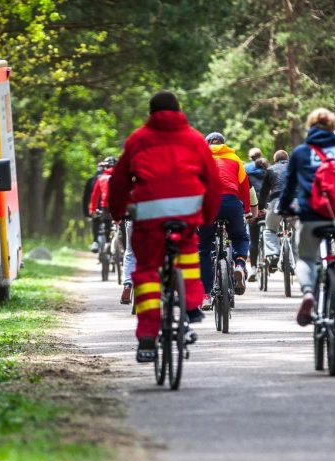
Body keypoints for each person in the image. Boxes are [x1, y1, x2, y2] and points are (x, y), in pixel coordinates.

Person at [108, 91, 222, 362]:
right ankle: (191, 306)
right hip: (186, 214)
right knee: (188, 258)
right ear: (179, 110)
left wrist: (117, 212)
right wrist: (206, 216)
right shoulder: (195, 138)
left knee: (147, 273)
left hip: (148, 216)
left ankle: (147, 336)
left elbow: (119, 182)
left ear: (151, 113)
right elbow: (213, 181)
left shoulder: (138, 139)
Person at [279, 108, 335, 327]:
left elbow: (288, 187)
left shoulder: (301, 152)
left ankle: (309, 293)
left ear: (310, 126)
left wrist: (284, 208)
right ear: (333, 127)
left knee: (307, 258)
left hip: (311, 214)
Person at [199, 132, 252, 303]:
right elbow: (244, 187)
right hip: (231, 202)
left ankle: (206, 293)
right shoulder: (235, 159)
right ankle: (239, 265)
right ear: (224, 143)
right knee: (240, 237)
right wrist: (246, 211)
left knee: (204, 249)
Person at [245, 151, 273, 281]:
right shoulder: (270, 172)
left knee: (254, 240)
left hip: (254, 208)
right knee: (271, 232)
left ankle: (253, 268)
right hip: (267, 209)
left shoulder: (247, 172)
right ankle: (272, 255)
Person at [262, 150, 292, 270]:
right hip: (294, 203)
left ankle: (273, 253)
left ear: (275, 160)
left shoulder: (270, 170)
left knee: (269, 230)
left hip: (276, 204)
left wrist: (261, 208)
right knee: (298, 230)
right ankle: (298, 258)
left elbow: (264, 192)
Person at [87, 156, 117, 254]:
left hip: (105, 206)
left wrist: (92, 210)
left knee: (104, 225)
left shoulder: (101, 178)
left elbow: (94, 196)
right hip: (120, 206)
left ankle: (100, 242)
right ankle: (125, 249)